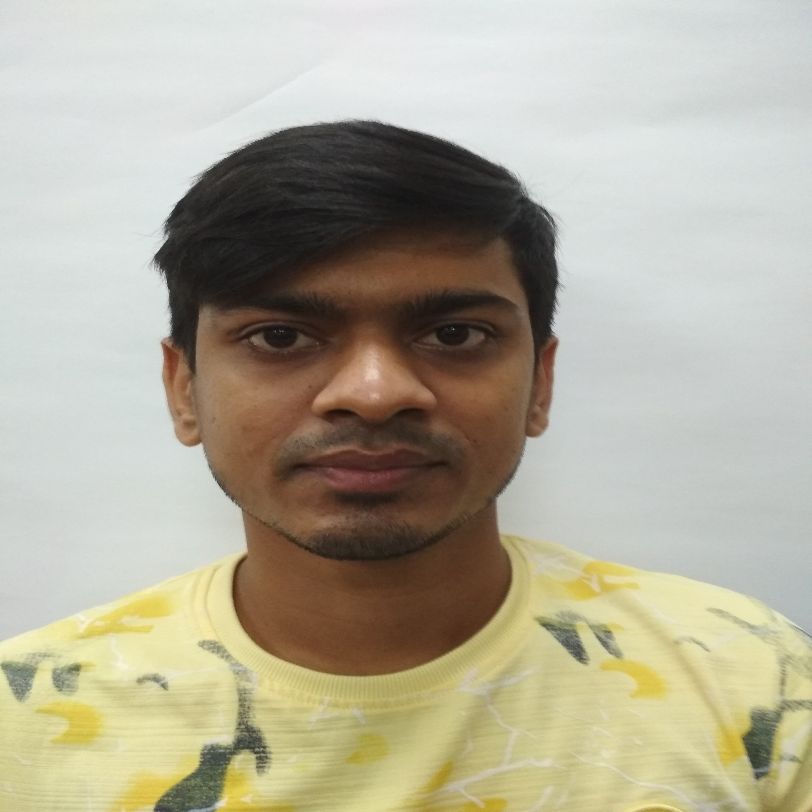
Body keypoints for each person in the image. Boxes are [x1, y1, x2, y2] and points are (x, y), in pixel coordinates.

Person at [0, 120, 809, 811]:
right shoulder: (23, 718)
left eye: (455, 335)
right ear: (184, 389)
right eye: (280, 337)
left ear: (540, 383)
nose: (375, 393)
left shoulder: (756, 684)